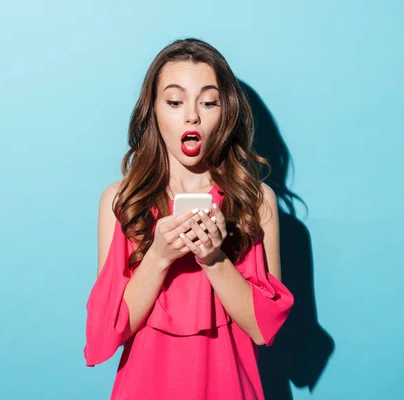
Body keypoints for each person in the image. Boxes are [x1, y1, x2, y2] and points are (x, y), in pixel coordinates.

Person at [84, 38, 295, 400]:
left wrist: (214, 259)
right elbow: (108, 331)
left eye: (209, 102)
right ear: (153, 111)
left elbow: (263, 329)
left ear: (225, 112)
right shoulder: (121, 201)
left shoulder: (256, 202)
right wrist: (160, 256)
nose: (192, 115)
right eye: (175, 102)